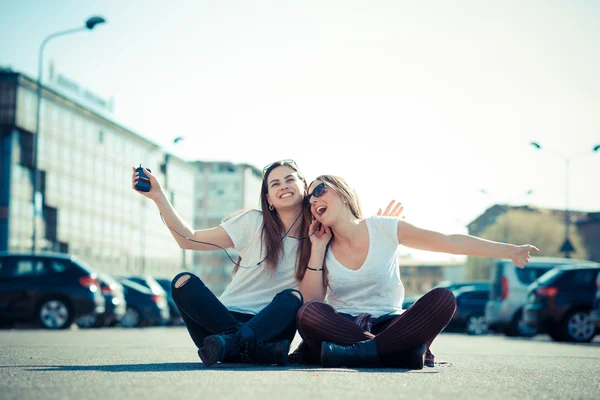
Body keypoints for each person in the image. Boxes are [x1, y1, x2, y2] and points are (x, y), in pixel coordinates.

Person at [131, 161, 401, 367]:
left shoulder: (321, 235)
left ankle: (237, 345)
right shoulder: (251, 223)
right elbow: (188, 239)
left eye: (289, 179)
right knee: (182, 282)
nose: (283, 185)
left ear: (304, 189)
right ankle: (245, 346)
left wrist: (376, 231)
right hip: (219, 325)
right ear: (269, 200)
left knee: (292, 297)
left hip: (271, 327)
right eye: (274, 184)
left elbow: (351, 246)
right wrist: (158, 196)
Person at [296, 175, 539, 369]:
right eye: (310, 201)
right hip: (343, 327)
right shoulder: (320, 244)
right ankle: (397, 353)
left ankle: (361, 353)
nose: (314, 201)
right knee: (308, 313)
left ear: (343, 192)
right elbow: (312, 302)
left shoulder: (385, 228)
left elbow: (450, 242)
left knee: (444, 298)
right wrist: (317, 248)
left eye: (319, 191)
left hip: (391, 324)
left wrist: (510, 251)